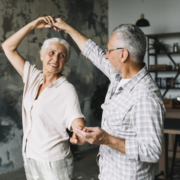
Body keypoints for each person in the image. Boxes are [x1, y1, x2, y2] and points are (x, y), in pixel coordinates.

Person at [52, 19, 166, 180]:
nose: (105, 55)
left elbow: (152, 151)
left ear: (123, 54)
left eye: (109, 50)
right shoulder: (118, 76)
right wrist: (66, 28)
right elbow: (93, 52)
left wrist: (107, 139)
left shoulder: (146, 96)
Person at [2, 16, 86, 180]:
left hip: (54, 163)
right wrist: (33, 25)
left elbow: (77, 121)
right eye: (51, 53)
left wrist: (79, 133)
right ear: (42, 56)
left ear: (65, 61)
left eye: (61, 55)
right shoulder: (33, 76)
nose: (55, 58)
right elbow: (7, 47)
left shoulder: (66, 90)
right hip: (31, 157)